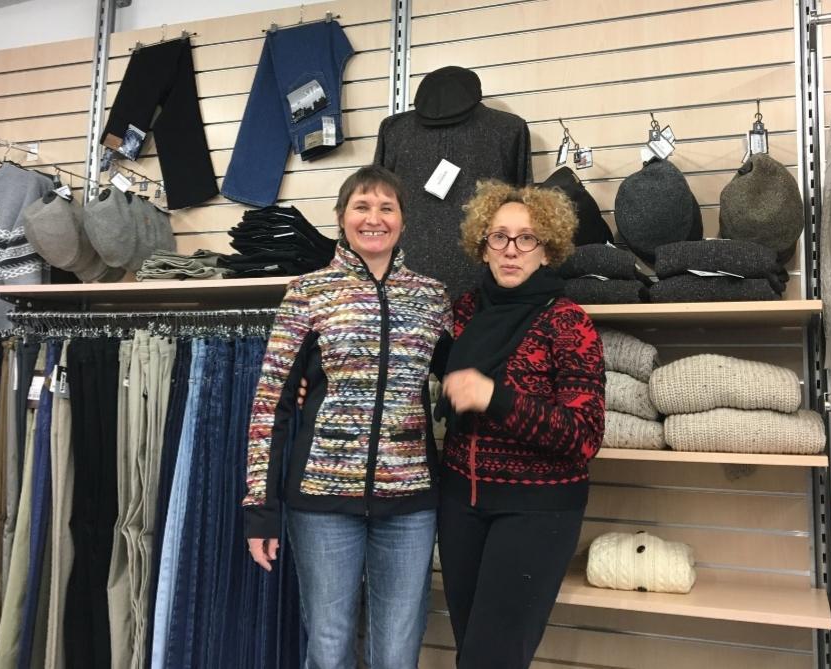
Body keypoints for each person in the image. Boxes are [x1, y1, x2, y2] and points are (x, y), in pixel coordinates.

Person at [242, 165, 451, 669]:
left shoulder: (432, 298)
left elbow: (458, 380)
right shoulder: (308, 293)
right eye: (361, 206)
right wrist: (260, 510)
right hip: (322, 503)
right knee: (329, 646)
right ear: (341, 217)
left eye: (386, 207)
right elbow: (271, 403)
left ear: (403, 220)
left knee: (397, 652)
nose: (374, 218)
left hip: (409, 504)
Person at [435, 180, 606, 668]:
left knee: (491, 660)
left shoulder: (568, 322)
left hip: (536, 513)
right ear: (483, 246)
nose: (511, 250)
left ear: (547, 250)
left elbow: (584, 435)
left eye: (527, 238)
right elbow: (409, 361)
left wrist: (495, 398)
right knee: (471, 651)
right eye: (499, 237)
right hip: (460, 506)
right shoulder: (464, 313)